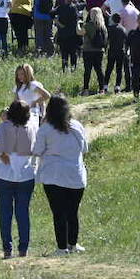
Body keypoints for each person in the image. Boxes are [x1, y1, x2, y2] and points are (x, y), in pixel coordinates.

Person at [34, 95, 89, 256]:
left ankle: (61, 247)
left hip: (53, 175)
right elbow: (84, 148)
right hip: (75, 174)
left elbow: (37, 151)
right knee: (73, 212)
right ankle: (73, 244)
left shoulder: (45, 128)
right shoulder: (76, 126)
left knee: (59, 213)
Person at [0, 100, 37, 258]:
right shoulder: (31, 127)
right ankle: (23, 248)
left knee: (5, 213)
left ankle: (7, 249)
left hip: (3, 174)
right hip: (25, 175)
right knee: (23, 213)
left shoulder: (3, 127)